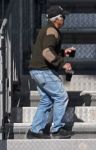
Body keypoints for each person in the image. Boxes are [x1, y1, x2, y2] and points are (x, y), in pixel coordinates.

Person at [27, 5, 74, 139]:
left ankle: (35, 130)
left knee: (46, 100)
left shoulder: (47, 30)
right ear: (57, 19)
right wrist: (63, 64)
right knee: (61, 96)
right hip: (43, 71)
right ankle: (56, 129)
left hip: (37, 70)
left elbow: (48, 50)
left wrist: (63, 53)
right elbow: (47, 52)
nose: (64, 19)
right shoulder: (51, 31)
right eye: (62, 17)